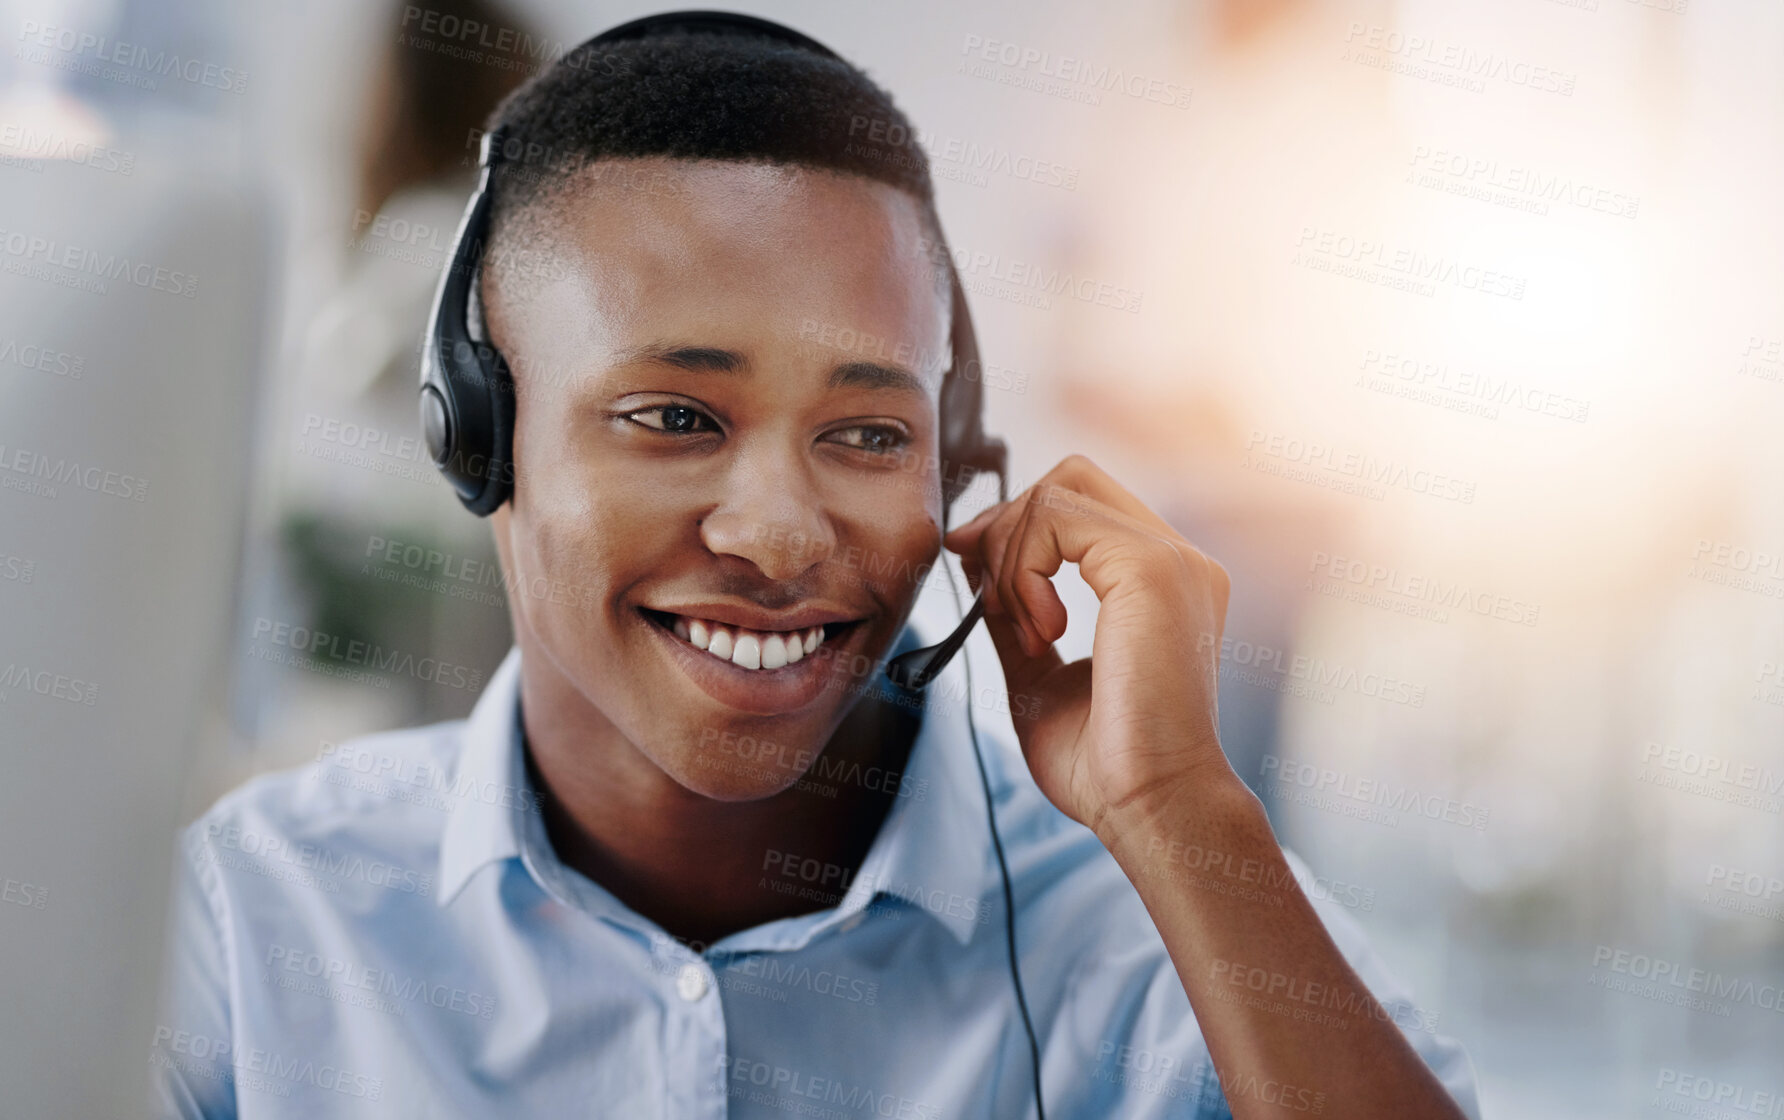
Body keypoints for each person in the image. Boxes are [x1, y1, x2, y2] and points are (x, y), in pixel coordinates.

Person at [154, 17, 1481, 1119]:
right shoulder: (260, 915)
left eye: (867, 432)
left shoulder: (1165, 922)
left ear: (956, 465)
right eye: (674, 417)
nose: (783, 536)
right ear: (481, 439)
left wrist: (1185, 814)